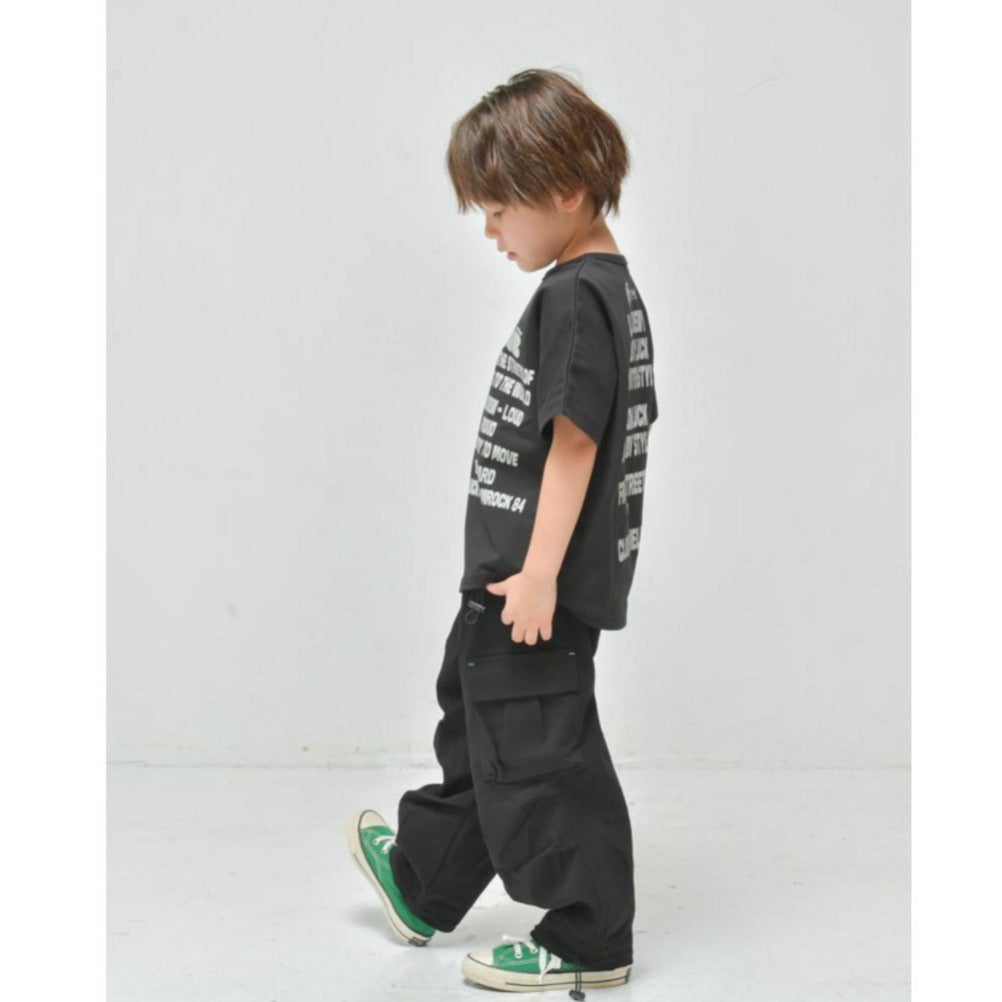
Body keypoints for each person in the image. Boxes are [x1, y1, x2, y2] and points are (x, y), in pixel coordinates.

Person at [347, 67, 659, 993]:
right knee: (487, 733)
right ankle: (424, 881)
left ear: (564, 190)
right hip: (513, 582)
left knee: (541, 758)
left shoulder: (580, 295)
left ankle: (591, 936)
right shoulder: (592, 287)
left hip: (531, 587)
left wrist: (539, 575)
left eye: (497, 210)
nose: (489, 230)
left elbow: (575, 445)